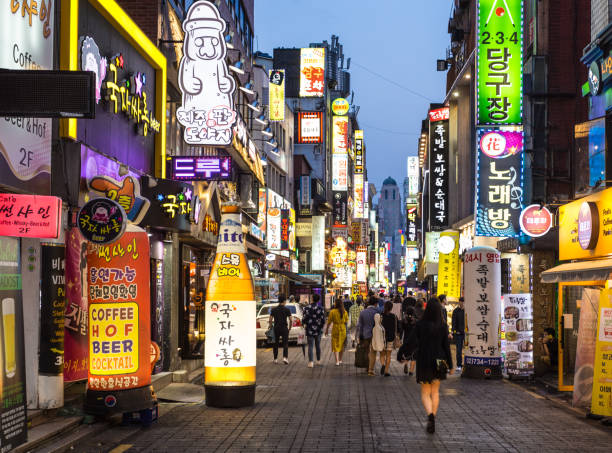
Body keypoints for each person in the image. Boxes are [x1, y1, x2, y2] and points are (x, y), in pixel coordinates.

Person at [412, 297, 453, 434]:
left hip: (424, 360)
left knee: (425, 392)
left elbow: (412, 342)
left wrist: (402, 354)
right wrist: (451, 365)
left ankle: (430, 415)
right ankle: (433, 417)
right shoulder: (443, 326)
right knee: (435, 392)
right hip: (439, 361)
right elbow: (446, 347)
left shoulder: (420, 325)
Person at [356, 297, 380, 376]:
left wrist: (360, 335)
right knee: (373, 352)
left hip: (365, 334)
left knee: (366, 351)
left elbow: (360, 325)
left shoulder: (363, 312)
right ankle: (371, 369)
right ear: (376, 304)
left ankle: (367, 366)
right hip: (375, 335)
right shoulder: (378, 312)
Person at [302, 294, 326, 367]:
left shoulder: (306, 308)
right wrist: (321, 327)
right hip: (318, 330)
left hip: (309, 329)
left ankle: (311, 362)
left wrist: (305, 323)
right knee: (318, 345)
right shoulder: (321, 308)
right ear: (318, 300)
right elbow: (323, 320)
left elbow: (304, 319)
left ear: (312, 299)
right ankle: (318, 360)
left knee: (310, 346)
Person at [269, 295, 292, 364]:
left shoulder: (274, 309)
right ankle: (285, 358)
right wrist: (289, 328)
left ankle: (275, 359)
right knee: (285, 344)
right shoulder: (287, 309)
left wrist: (270, 327)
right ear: (284, 301)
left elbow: (270, 320)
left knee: (275, 344)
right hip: (284, 328)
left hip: (276, 328)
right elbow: (291, 320)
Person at [325, 299, 349, 365]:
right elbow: (346, 321)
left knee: (335, 344)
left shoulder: (332, 311)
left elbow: (329, 322)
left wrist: (326, 330)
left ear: (336, 304)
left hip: (335, 329)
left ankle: (337, 361)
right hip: (343, 329)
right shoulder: (345, 312)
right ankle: (340, 359)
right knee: (341, 344)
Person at [398, 297, 418, 376]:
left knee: (406, 354)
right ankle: (411, 371)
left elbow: (401, 331)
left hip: (406, 339)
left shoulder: (404, 321)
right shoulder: (416, 321)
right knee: (414, 356)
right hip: (415, 340)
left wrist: (400, 338)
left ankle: (406, 364)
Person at [380, 301, 398, 376]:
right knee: (388, 355)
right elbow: (396, 328)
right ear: (391, 308)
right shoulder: (394, 316)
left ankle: (383, 365)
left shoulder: (381, 315)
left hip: (382, 337)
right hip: (391, 337)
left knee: (382, 354)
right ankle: (386, 371)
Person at [451, 297, 466, 371]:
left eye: (463, 302)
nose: (462, 303)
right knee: (459, 350)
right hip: (458, 333)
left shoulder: (467, 311)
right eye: (461, 302)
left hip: (466, 334)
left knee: (468, 350)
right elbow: (453, 322)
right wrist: (453, 331)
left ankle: (466, 364)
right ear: (459, 302)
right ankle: (459, 365)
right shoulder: (456, 311)